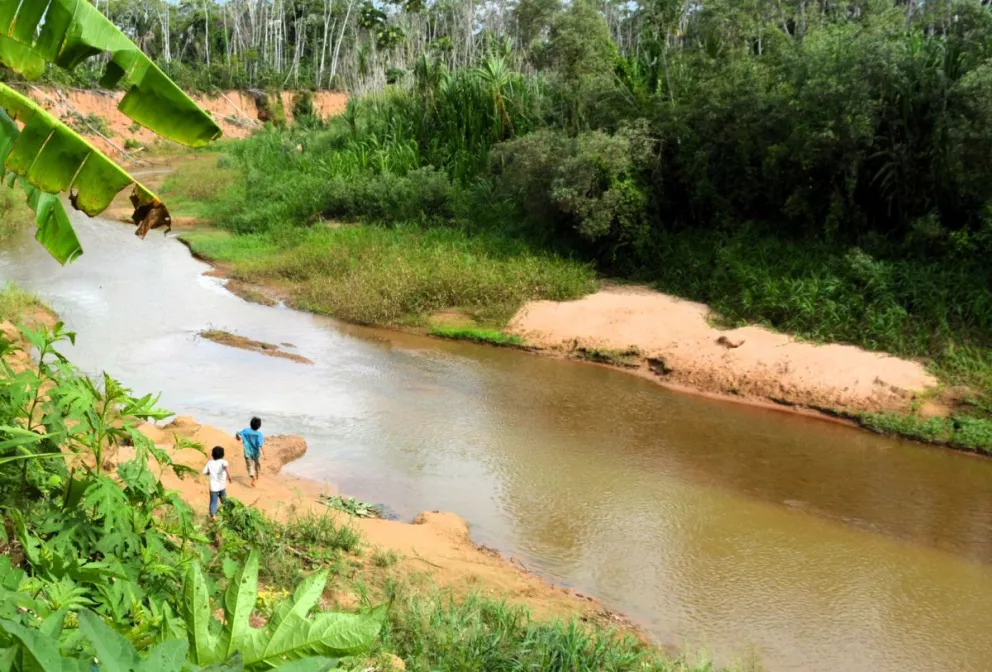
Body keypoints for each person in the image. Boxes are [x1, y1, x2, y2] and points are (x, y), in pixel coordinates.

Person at [236, 417, 264, 488]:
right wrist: (264, 453)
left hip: (247, 452)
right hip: (256, 452)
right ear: (259, 426)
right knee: (257, 464)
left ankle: (253, 476)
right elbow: (260, 445)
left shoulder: (246, 430)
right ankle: (257, 474)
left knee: (249, 466)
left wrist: (238, 438)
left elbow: (238, 433)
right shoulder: (259, 434)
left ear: (250, 424)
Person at [203, 445, 231, 517]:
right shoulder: (224, 461)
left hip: (213, 487)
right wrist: (229, 476)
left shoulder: (209, 463)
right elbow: (226, 467)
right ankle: (228, 514)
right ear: (223, 454)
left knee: (213, 502)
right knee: (224, 501)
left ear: (212, 455)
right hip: (222, 486)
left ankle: (213, 515)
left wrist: (210, 472)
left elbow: (205, 472)